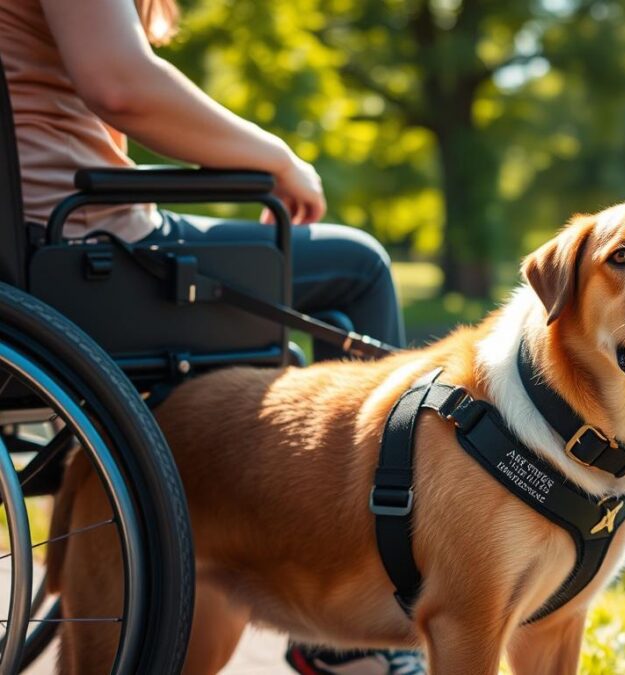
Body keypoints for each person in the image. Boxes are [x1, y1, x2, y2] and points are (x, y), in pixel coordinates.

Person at [0, 0, 421, 671]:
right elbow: (119, 84)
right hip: (78, 248)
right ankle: (353, 631)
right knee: (357, 269)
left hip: (48, 240)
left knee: (323, 321)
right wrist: (276, 158)